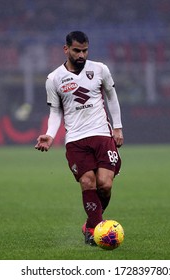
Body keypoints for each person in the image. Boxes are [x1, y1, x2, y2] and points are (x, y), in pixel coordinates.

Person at [35, 31, 124, 246]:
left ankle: (90, 223)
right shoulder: (54, 78)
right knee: (87, 182)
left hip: (102, 134)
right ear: (66, 50)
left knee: (104, 184)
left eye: (85, 50)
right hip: (75, 139)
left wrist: (118, 127)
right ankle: (95, 229)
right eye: (76, 51)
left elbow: (111, 97)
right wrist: (49, 134)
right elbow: (56, 112)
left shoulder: (100, 69)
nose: (81, 55)